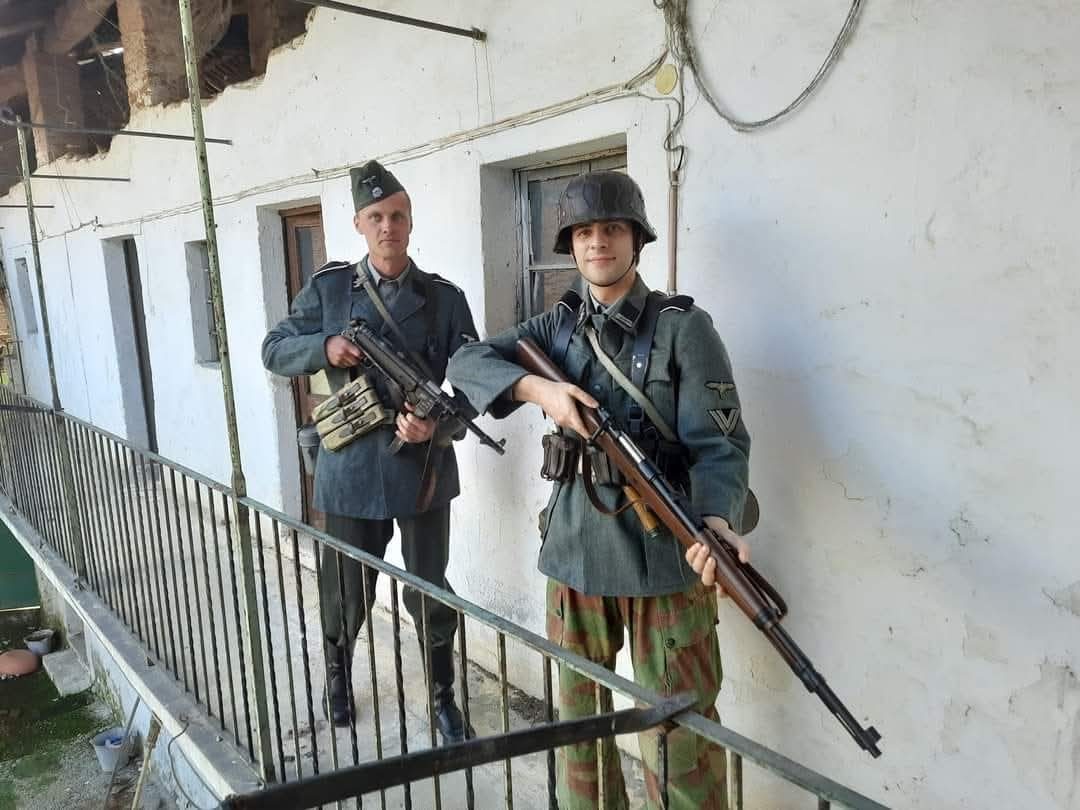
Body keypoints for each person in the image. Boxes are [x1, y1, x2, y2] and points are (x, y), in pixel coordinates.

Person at [446, 171, 751, 808]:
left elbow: (720, 446)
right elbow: (465, 361)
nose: (597, 242)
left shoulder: (683, 329)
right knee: (578, 731)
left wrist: (718, 521)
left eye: (611, 228)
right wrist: (540, 390)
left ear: (636, 239)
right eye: (583, 232)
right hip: (575, 550)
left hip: (665, 558)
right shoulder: (556, 327)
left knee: (680, 735)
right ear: (571, 245)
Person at [262, 160, 477, 743]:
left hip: (423, 470)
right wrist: (325, 346)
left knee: (429, 588)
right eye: (376, 216)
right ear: (359, 223)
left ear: (410, 221)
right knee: (345, 588)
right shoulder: (330, 290)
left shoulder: (444, 300)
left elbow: (475, 381)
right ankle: (337, 675)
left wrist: (436, 428)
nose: (388, 226)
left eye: (398, 215)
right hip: (351, 467)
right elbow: (274, 348)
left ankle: (443, 695)